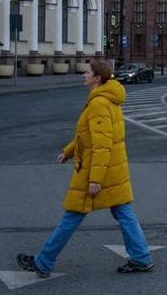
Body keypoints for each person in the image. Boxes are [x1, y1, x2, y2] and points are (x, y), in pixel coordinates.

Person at [17, 60, 154, 277]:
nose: (84, 75)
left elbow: (101, 145)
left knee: (72, 215)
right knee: (123, 212)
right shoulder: (108, 99)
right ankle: (141, 257)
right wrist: (69, 151)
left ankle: (43, 263)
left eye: (88, 72)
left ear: (97, 78)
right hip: (112, 169)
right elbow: (88, 136)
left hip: (98, 169)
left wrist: (95, 180)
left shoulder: (99, 103)